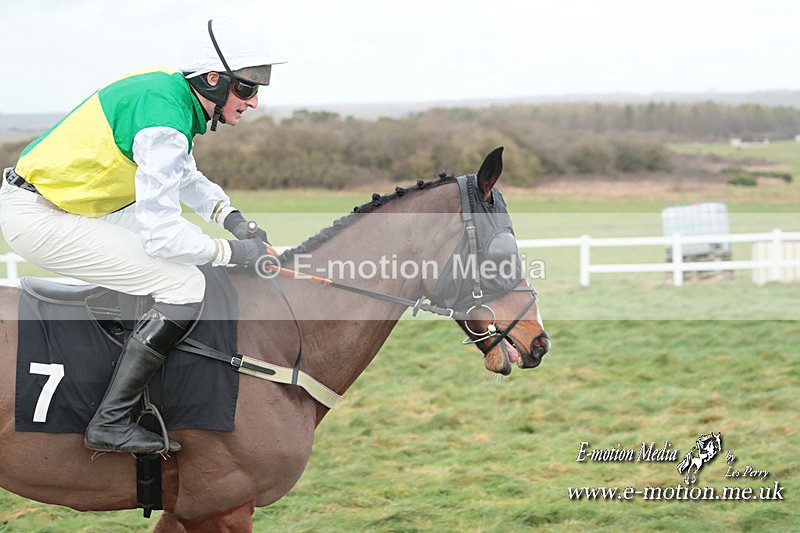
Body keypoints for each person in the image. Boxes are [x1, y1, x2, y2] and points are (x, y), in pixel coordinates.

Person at [0, 17, 281, 454]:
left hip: (70, 205)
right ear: (213, 80)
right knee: (182, 281)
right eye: (245, 89)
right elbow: (162, 237)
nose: (255, 101)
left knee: (187, 256)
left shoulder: (169, 96)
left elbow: (187, 178)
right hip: (40, 217)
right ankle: (110, 421)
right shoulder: (165, 121)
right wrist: (233, 251)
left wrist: (233, 219)